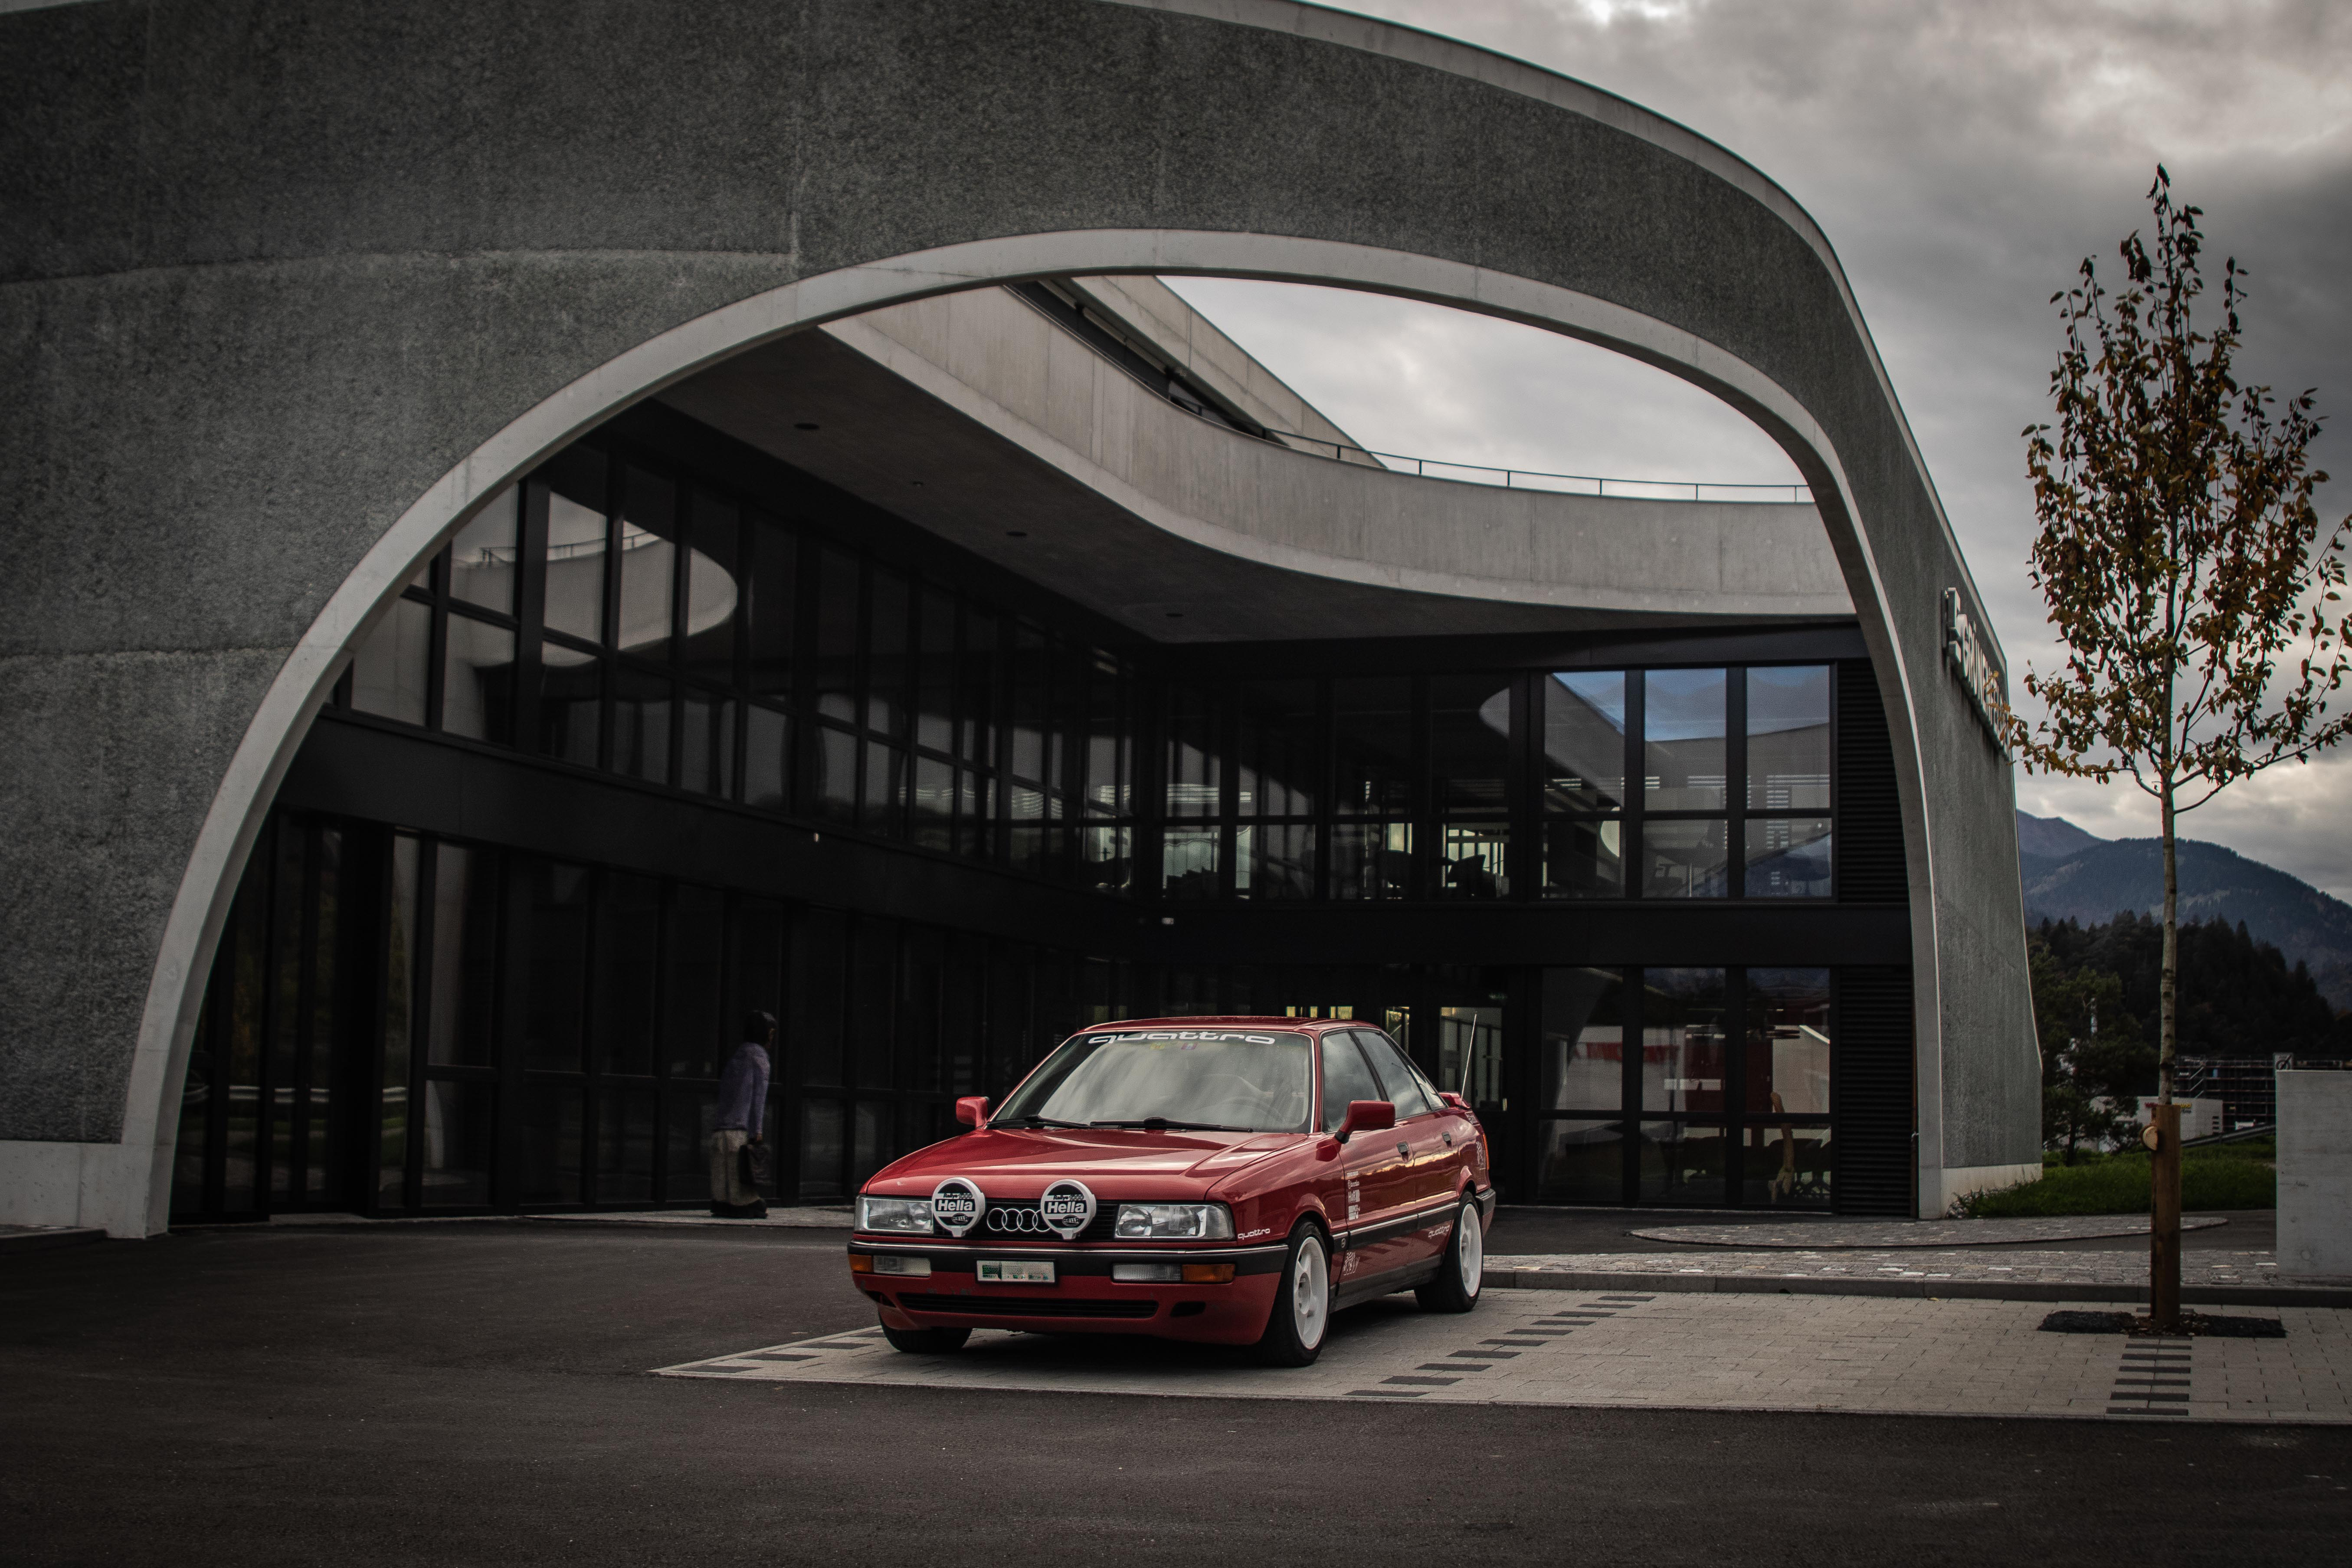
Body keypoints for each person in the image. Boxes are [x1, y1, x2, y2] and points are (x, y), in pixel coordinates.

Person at [710, 1011, 774, 1218]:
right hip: (739, 1130)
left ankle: (724, 1204)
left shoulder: (738, 1055)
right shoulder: (759, 1057)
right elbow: (758, 1098)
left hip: (720, 1130)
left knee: (723, 1190)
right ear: (768, 1034)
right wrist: (757, 1131)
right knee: (751, 1200)